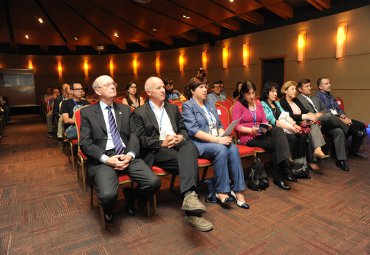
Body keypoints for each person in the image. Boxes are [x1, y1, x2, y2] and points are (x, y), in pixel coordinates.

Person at [132, 76, 213, 232]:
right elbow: (140, 140)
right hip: (157, 150)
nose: (163, 90)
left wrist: (180, 136)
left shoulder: (173, 108)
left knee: (188, 145)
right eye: (158, 88)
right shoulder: (139, 113)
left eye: (163, 87)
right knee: (189, 162)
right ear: (149, 92)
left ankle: (189, 198)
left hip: (177, 145)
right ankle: (192, 212)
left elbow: (183, 129)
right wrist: (161, 142)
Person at [79, 75, 160, 223]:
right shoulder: (87, 113)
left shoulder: (125, 109)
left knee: (153, 182)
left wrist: (130, 154)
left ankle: (131, 197)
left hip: (125, 152)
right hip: (104, 157)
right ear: (98, 90)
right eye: (108, 85)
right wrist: (107, 159)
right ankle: (108, 208)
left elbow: (134, 135)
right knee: (108, 195)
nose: (113, 86)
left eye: (113, 83)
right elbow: (85, 143)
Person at [182, 76, 249, 209]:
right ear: (192, 90)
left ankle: (238, 190)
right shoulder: (188, 106)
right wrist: (218, 140)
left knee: (233, 148)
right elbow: (194, 131)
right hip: (198, 143)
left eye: (205, 86)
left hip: (215, 140)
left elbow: (218, 124)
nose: (204, 89)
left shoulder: (209, 104)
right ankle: (222, 191)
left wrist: (222, 134)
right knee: (221, 149)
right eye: (200, 87)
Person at [232, 81, 303, 190]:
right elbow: (236, 127)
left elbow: (264, 120)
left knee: (278, 130)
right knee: (277, 143)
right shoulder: (238, 105)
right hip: (249, 137)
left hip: (261, 132)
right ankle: (281, 173)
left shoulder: (258, 103)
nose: (251, 96)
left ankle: (285, 165)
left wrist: (267, 126)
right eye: (248, 94)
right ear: (243, 94)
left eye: (253, 93)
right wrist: (251, 130)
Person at [260, 82, 312, 177]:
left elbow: (286, 115)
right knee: (292, 138)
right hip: (273, 131)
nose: (276, 93)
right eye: (272, 91)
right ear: (267, 93)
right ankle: (286, 167)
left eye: (276, 91)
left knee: (301, 136)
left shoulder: (276, 103)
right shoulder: (263, 104)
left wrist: (295, 125)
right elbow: (274, 122)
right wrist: (291, 128)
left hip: (283, 128)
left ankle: (298, 168)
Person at [297, 79, 350, 171]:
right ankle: (349, 128)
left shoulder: (315, 98)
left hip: (323, 123)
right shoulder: (298, 100)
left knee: (339, 131)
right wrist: (315, 116)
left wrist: (319, 114)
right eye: (307, 86)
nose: (310, 88)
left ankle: (341, 160)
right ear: (300, 89)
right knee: (329, 116)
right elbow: (303, 113)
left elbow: (326, 109)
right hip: (312, 123)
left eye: (310, 86)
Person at [279, 81, 329, 170]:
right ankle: (313, 158)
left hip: (304, 123)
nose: (295, 91)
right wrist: (305, 117)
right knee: (310, 131)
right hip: (293, 124)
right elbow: (289, 116)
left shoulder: (296, 100)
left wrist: (310, 116)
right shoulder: (282, 102)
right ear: (285, 91)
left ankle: (316, 153)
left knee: (313, 125)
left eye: (295, 89)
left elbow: (305, 110)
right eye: (292, 89)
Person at [316, 77, 367, 159]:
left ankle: (353, 152)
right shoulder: (317, 98)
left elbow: (338, 109)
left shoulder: (331, 96)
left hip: (340, 118)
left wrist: (343, 115)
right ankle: (354, 132)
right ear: (320, 87)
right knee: (351, 129)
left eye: (329, 83)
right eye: (326, 84)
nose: (329, 85)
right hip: (329, 122)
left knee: (361, 125)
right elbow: (325, 113)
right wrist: (342, 119)